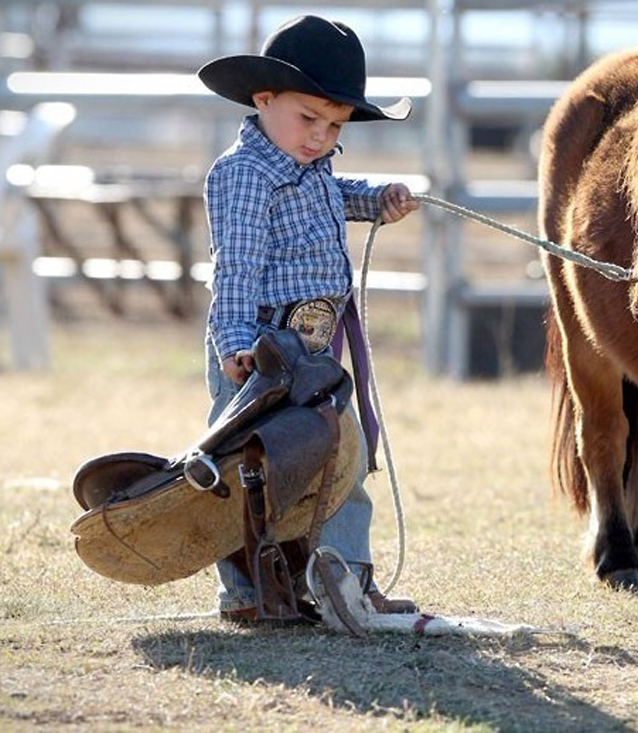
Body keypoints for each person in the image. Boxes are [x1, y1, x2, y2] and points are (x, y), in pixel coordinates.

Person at [197, 15, 420, 623]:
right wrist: (236, 343)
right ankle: (248, 594)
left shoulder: (306, 163)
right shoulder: (242, 175)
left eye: (335, 127)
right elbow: (236, 268)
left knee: (341, 457)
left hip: (315, 352)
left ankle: (347, 578)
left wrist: (376, 199)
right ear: (263, 99)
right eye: (309, 119)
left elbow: (328, 190)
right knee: (249, 470)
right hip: (261, 349)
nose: (321, 137)